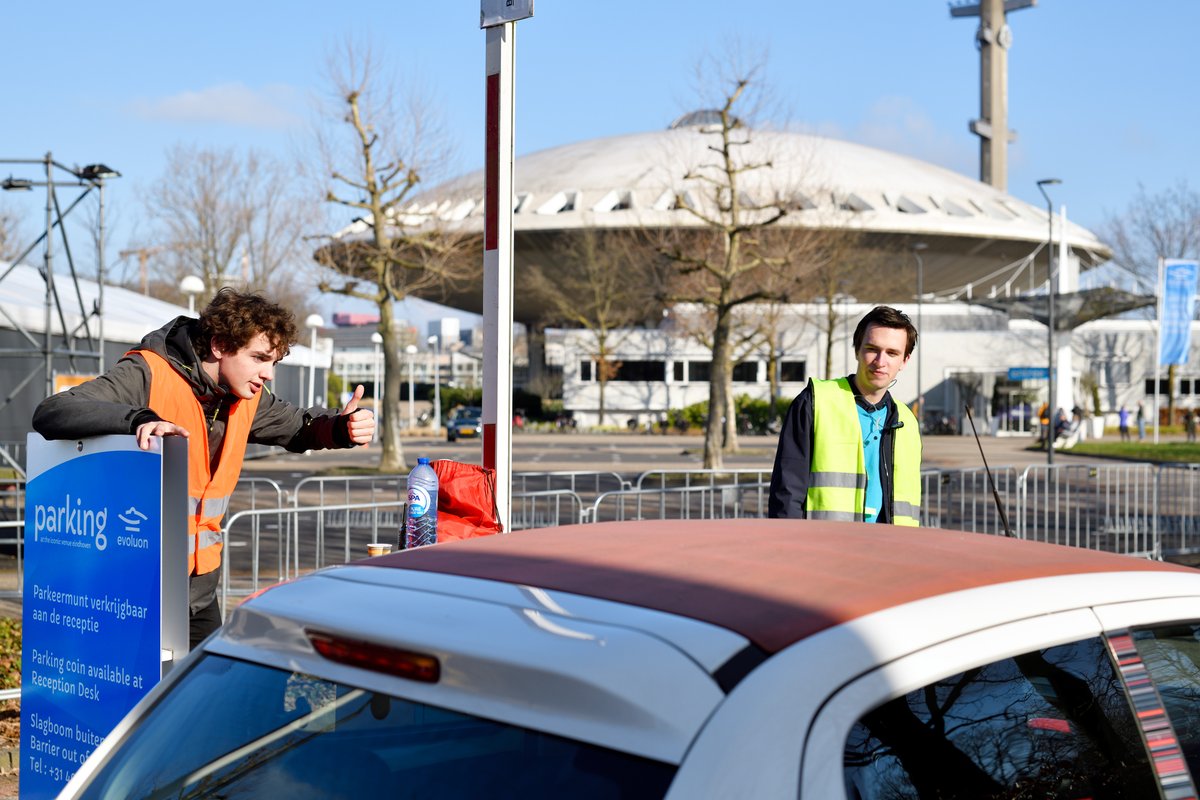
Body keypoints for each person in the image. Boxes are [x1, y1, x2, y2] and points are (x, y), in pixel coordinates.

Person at [32, 288, 375, 648]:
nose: (268, 374)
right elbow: (53, 412)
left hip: (200, 589)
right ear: (219, 345)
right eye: (259, 358)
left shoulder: (247, 396)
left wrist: (339, 428)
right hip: (137, 585)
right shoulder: (148, 372)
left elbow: (298, 425)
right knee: (141, 701)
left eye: (274, 363)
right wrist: (138, 419)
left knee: (203, 699)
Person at [768, 305, 921, 525]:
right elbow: (787, 493)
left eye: (892, 353)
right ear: (857, 349)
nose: (880, 361)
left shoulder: (907, 422)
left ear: (905, 360)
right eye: (872, 349)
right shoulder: (814, 402)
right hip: (826, 549)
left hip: (891, 549)